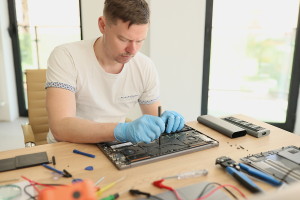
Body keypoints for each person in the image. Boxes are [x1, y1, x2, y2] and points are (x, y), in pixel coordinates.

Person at [45, 0, 185, 144]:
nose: (133, 50)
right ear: (103, 25)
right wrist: (122, 130)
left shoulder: (144, 66)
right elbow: (60, 127)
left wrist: (165, 122)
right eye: (124, 39)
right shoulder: (67, 56)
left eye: (139, 41)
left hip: (115, 149)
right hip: (69, 149)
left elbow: (155, 118)